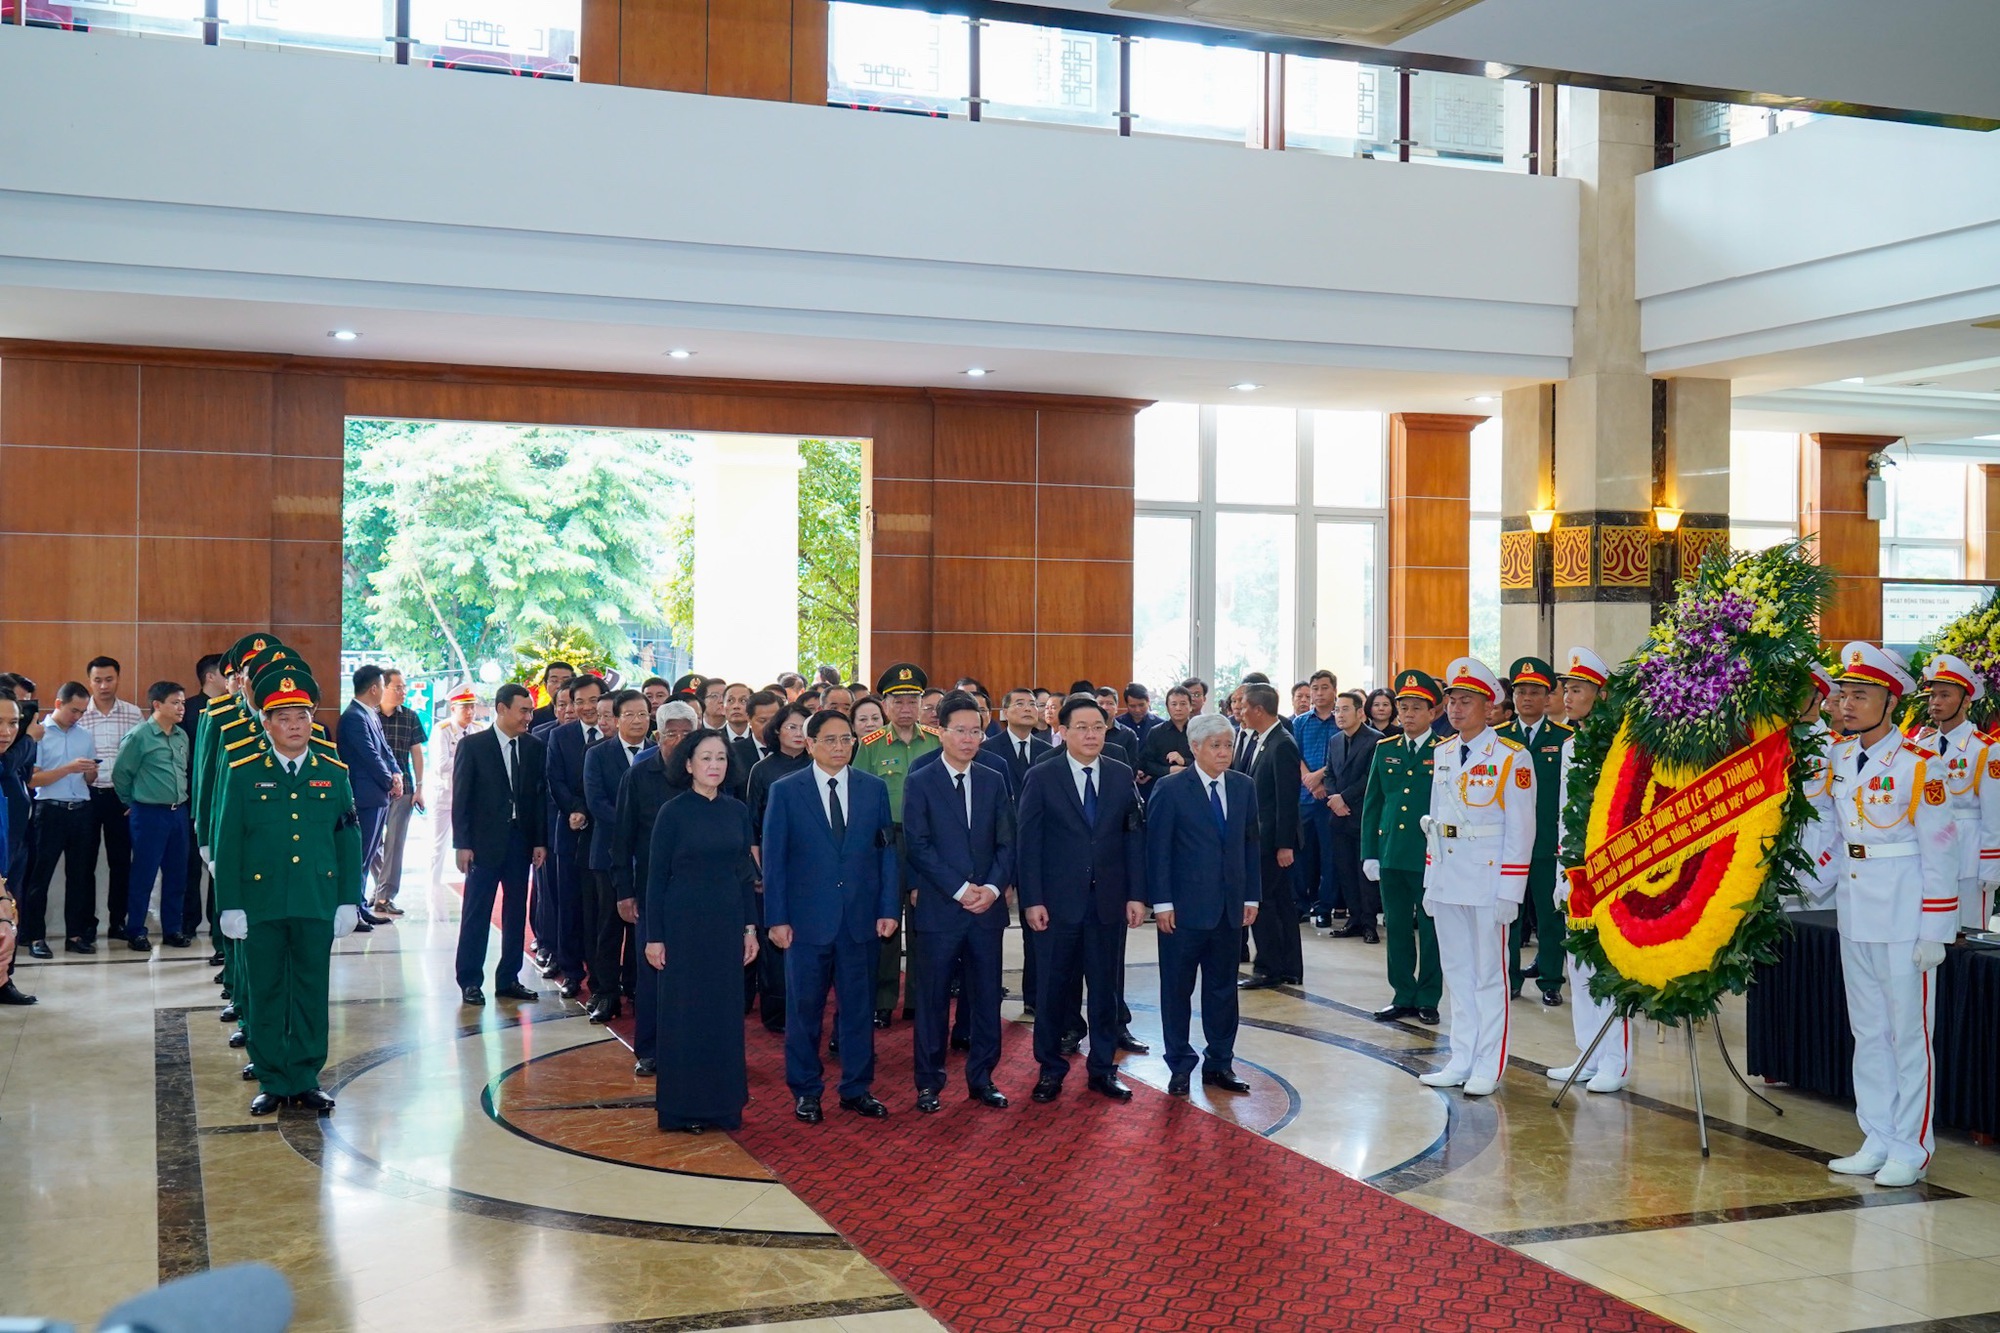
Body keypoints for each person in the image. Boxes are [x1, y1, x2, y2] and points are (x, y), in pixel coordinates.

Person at [1811, 643, 1959, 1188]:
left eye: (1861, 695)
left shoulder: (1921, 765)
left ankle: (1912, 1145)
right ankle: (1876, 1132)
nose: (1847, 705)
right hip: (1856, 910)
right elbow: (1836, 835)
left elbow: (1940, 850)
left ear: (1890, 701)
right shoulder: (1841, 760)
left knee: (1908, 1034)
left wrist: (1936, 929)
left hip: (1904, 915)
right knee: (1868, 1030)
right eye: (1844, 694)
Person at [212, 663, 362, 1116]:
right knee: (267, 990)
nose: (295, 726)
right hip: (262, 904)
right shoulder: (243, 772)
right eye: (284, 718)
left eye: (301, 716)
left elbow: (347, 839)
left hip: (315, 902)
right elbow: (229, 841)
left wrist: (347, 899)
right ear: (267, 723)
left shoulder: (333, 773)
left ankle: (305, 1076)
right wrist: (230, 906)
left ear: (312, 720)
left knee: (312, 990)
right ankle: (274, 1077)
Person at [761, 709, 900, 1123]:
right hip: (805, 922)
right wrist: (777, 918)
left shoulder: (873, 789)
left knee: (858, 1010)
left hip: (860, 920)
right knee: (804, 1011)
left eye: (847, 740)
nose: (841, 747)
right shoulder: (786, 791)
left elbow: (886, 853)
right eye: (831, 740)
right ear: (811, 744)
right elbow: (775, 859)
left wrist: (889, 908)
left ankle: (857, 1088)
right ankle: (806, 1090)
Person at [1015, 694, 1146, 1103]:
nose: (1091, 735)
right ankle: (1050, 1069)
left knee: (1106, 989)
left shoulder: (1121, 774)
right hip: (1056, 905)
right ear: (1063, 731)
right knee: (1054, 989)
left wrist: (1137, 895)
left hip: (1108, 902)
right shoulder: (1042, 774)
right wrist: (1032, 899)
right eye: (1082, 728)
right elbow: (1028, 843)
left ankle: (1103, 1068)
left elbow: (1133, 840)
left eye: (1098, 727)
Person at [1419, 658, 1535, 1098]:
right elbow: (1435, 821)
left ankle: (1489, 1062)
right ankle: (1460, 1055)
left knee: (1489, 974)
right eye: (1451, 700)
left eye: (1466, 701)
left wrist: (1511, 888)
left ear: (1490, 707)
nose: (1455, 709)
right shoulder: (1443, 752)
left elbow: (1521, 828)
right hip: (1449, 877)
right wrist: (1432, 878)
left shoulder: (1511, 756)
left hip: (1488, 880)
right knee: (1458, 971)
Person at [900, 691, 1014, 1112]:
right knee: (931, 1001)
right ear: (941, 732)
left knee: (985, 997)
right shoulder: (920, 779)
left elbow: (1007, 842)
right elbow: (919, 845)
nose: (969, 739)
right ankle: (928, 1083)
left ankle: (982, 1078)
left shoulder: (993, 779)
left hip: (987, 909)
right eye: (960, 731)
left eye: (976, 731)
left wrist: (992, 888)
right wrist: (962, 890)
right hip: (940, 909)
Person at [644, 730, 760, 1132]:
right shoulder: (672, 812)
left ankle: (724, 1106)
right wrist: (654, 936)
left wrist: (750, 928)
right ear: (689, 765)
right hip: (682, 924)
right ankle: (682, 1109)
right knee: (684, 1015)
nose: (714, 766)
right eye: (706, 758)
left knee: (724, 1015)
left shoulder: (737, 811)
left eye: (721, 758)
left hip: (727, 922)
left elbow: (745, 875)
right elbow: (656, 877)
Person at [1145, 713, 1260, 1097]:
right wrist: (1161, 903)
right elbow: (1157, 850)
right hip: (1183, 911)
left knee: (1223, 990)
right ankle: (1179, 1064)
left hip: (1229, 909)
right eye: (1216, 745)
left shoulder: (1244, 787)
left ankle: (1220, 1063)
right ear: (1195, 748)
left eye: (1228, 744)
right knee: (1177, 990)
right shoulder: (1171, 788)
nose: (1224, 752)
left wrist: (1251, 895)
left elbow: (1249, 845)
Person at [1546, 646, 1630, 1093]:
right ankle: (1589, 1052)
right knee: (1578, 963)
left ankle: (1615, 1058)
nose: (1569, 696)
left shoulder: (1621, 742)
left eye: (1578, 689)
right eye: (1568, 689)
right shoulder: (1571, 743)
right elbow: (1566, 810)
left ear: (1600, 694)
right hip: (1576, 865)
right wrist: (1564, 868)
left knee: (1608, 965)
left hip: (1612, 866)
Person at [609, 704, 697, 1077]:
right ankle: (649, 1049)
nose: (678, 741)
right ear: (658, 736)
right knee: (653, 973)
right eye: (671, 733)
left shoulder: (708, 771)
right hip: (651, 891)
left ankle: (692, 1046)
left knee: (694, 974)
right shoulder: (639, 775)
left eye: (685, 733)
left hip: (699, 892)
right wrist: (625, 892)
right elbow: (623, 837)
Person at [451, 683, 550, 1007]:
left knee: (515, 911)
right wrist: (462, 844)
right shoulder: (474, 746)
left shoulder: (534, 747)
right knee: (477, 911)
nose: (528, 717)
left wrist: (539, 841)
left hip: (520, 844)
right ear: (502, 708)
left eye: (531, 711)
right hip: (482, 844)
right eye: (523, 710)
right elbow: (461, 798)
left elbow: (538, 799)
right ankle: (469, 980)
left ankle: (509, 978)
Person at [853, 663, 941, 1025]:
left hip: (929, 842)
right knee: (886, 920)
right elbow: (858, 796)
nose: (906, 708)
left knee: (924, 922)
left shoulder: (937, 740)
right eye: (898, 701)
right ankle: (883, 999)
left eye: (912, 700)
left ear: (922, 704)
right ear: (885, 705)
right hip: (886, 842)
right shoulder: (870, 745)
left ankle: (919, 1000)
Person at [1361, 671, 1445, 1025]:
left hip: (1428, 855)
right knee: (1395, 926)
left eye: (1416, 708)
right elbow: (1373, 803)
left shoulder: (1444, 750)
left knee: (1429, 930)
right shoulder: (1386, 749)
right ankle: (1402, 994)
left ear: (1432, 712)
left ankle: (1428, 997)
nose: (1408, 714)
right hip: (1392, 852)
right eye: (1403, 707)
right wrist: (1370, 851)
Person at [1498, 657, 1572, 1006]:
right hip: (1506, 843)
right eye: (1520, 692)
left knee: (1550, 915)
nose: (1526, 698)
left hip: (1547, 843)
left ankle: (1551, 980)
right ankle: (1509, 977)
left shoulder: (1565, 739)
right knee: (1508, 912)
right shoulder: (1497, 740)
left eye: (1535, 692)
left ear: (1548, 698)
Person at [1915, 654, 2000, 931]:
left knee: (1969, 930)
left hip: (1969, 852)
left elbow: (1994, 812)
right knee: (1931, 931)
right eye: (1933, 695)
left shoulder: (1985, 749)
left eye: (1945, 695)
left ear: (1965, 701)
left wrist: (1991, 865)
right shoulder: (1922, 745)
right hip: (1927, 850)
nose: (1935, 702)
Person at [582, 689, 651, 1023]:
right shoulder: (598, 754)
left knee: (644, 925)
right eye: (631, 715)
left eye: (643, 714)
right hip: (609, 853)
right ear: (616, 718)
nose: (638, 720)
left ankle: (638, 988)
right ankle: (607, 993)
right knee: (609, 926)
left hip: (650, 857)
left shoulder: (658, 753)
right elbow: (596, 803)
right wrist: (633, 827)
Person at [745, 702, 812, 1034]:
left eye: (804, 727)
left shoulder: (819, 766)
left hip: (812, 870)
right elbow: (752, 828)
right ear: (777, 731)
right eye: (792, 727)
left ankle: (806, 1007)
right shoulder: (763, 770)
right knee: (774, 944)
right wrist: (761, 873)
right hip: (773, 868)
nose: (799, 734)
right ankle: (775, 1011)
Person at [110, 680, 193, 951]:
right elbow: (121, 774)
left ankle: (173, 929)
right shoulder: (139, 736)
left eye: (183, 702)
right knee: (144, 875)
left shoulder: (181, 736)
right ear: (157, 705)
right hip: (148, 814)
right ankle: (136, 930)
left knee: (177, 875)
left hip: (178, 813)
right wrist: (129, 802)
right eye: (175, 702)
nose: (181, 707)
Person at [22, 682, 101, 955]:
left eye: (81, 711)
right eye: (73, 710)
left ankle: (76, 935)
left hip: (81, 810)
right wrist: (68, 768)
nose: (77, 717)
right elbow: (33, 780)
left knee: (80, 876)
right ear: (58, 704)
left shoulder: (85, 736)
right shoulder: (39, 734)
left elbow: (90, 779)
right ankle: (34, 937)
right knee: (40, 876)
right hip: (50, 810)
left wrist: (90, 771)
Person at [546, 673, 608, 999]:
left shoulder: (612, 735)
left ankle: (603, 974)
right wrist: (574, 809)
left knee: (598, 910)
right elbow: (554, 780)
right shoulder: (561, 736)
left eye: (592, 700)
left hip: (604, 834)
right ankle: (571, 972)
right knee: (569, 906)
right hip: (569, 832)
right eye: (578, 701)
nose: (585, 707)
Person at [1238, 683, 1304, 988]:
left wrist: (1284, 844)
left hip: (1273, 842)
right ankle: (1287, 966)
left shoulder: (1282, 743)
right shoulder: (1261, 740)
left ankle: (1268, 967)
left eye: (1245, 706)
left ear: (1259, 710)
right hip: (1261, 838)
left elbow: (1286, 800)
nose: (1241, 711)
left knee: (1265, 904)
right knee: (1279, 904)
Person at [78, 656, 142, 941]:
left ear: (118, 678)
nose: (103, 685)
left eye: (109, 679)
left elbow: (142, 760)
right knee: (84, 863)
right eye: (97, 680)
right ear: (89, 681)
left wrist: (133, 800)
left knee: (120, 863)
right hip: (86, 797)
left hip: (120, 799)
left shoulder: (132, 714)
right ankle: (86, 923)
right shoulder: (79, 713)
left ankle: (118, 921)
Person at [338, 665, 402, 918]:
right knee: (359, 856)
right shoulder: (353, 717)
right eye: (384, 686)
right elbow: (369, 756)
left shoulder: (370, 714)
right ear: (374, 688)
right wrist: (389, 781)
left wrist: (396, 773)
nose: (385, 691)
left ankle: (360, 906)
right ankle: (354, 909)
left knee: (366, 856)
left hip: (378, 796)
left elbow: (385, 750)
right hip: (364, 797)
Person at [369, 669, 427, 918]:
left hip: (403, 789)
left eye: (404, 687)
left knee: (395, 843)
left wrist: (420, 787)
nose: (403, 691)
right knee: (372, 843)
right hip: (373, 788)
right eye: (398, 687)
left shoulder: (411, 717)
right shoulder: (369, 716)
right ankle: (382, 885)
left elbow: (417, 753)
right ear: (383, 687)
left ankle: (384, 896)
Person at [428, 686, 482, 899]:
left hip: (470, 797)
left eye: (472, 707)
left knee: (470, 843)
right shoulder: (441, 730)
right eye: (465, 708)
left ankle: (468, 882)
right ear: (453, 708)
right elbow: (440, 764)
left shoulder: (478, 729)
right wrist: (469, 761)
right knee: (437, 845)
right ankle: (433, 885)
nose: (470, 712)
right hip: (445, 795)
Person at [0, 695, 34, 1005]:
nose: (6, 731)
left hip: (10, 857)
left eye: (12, 723)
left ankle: (3, 981)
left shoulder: (9, 759)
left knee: (9, 925)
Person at [530, 661, 576, 730]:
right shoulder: (534, 717)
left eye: (566, 681)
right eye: (554, 681)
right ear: (545, 686)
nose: (559, 685)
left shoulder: (582, 711)